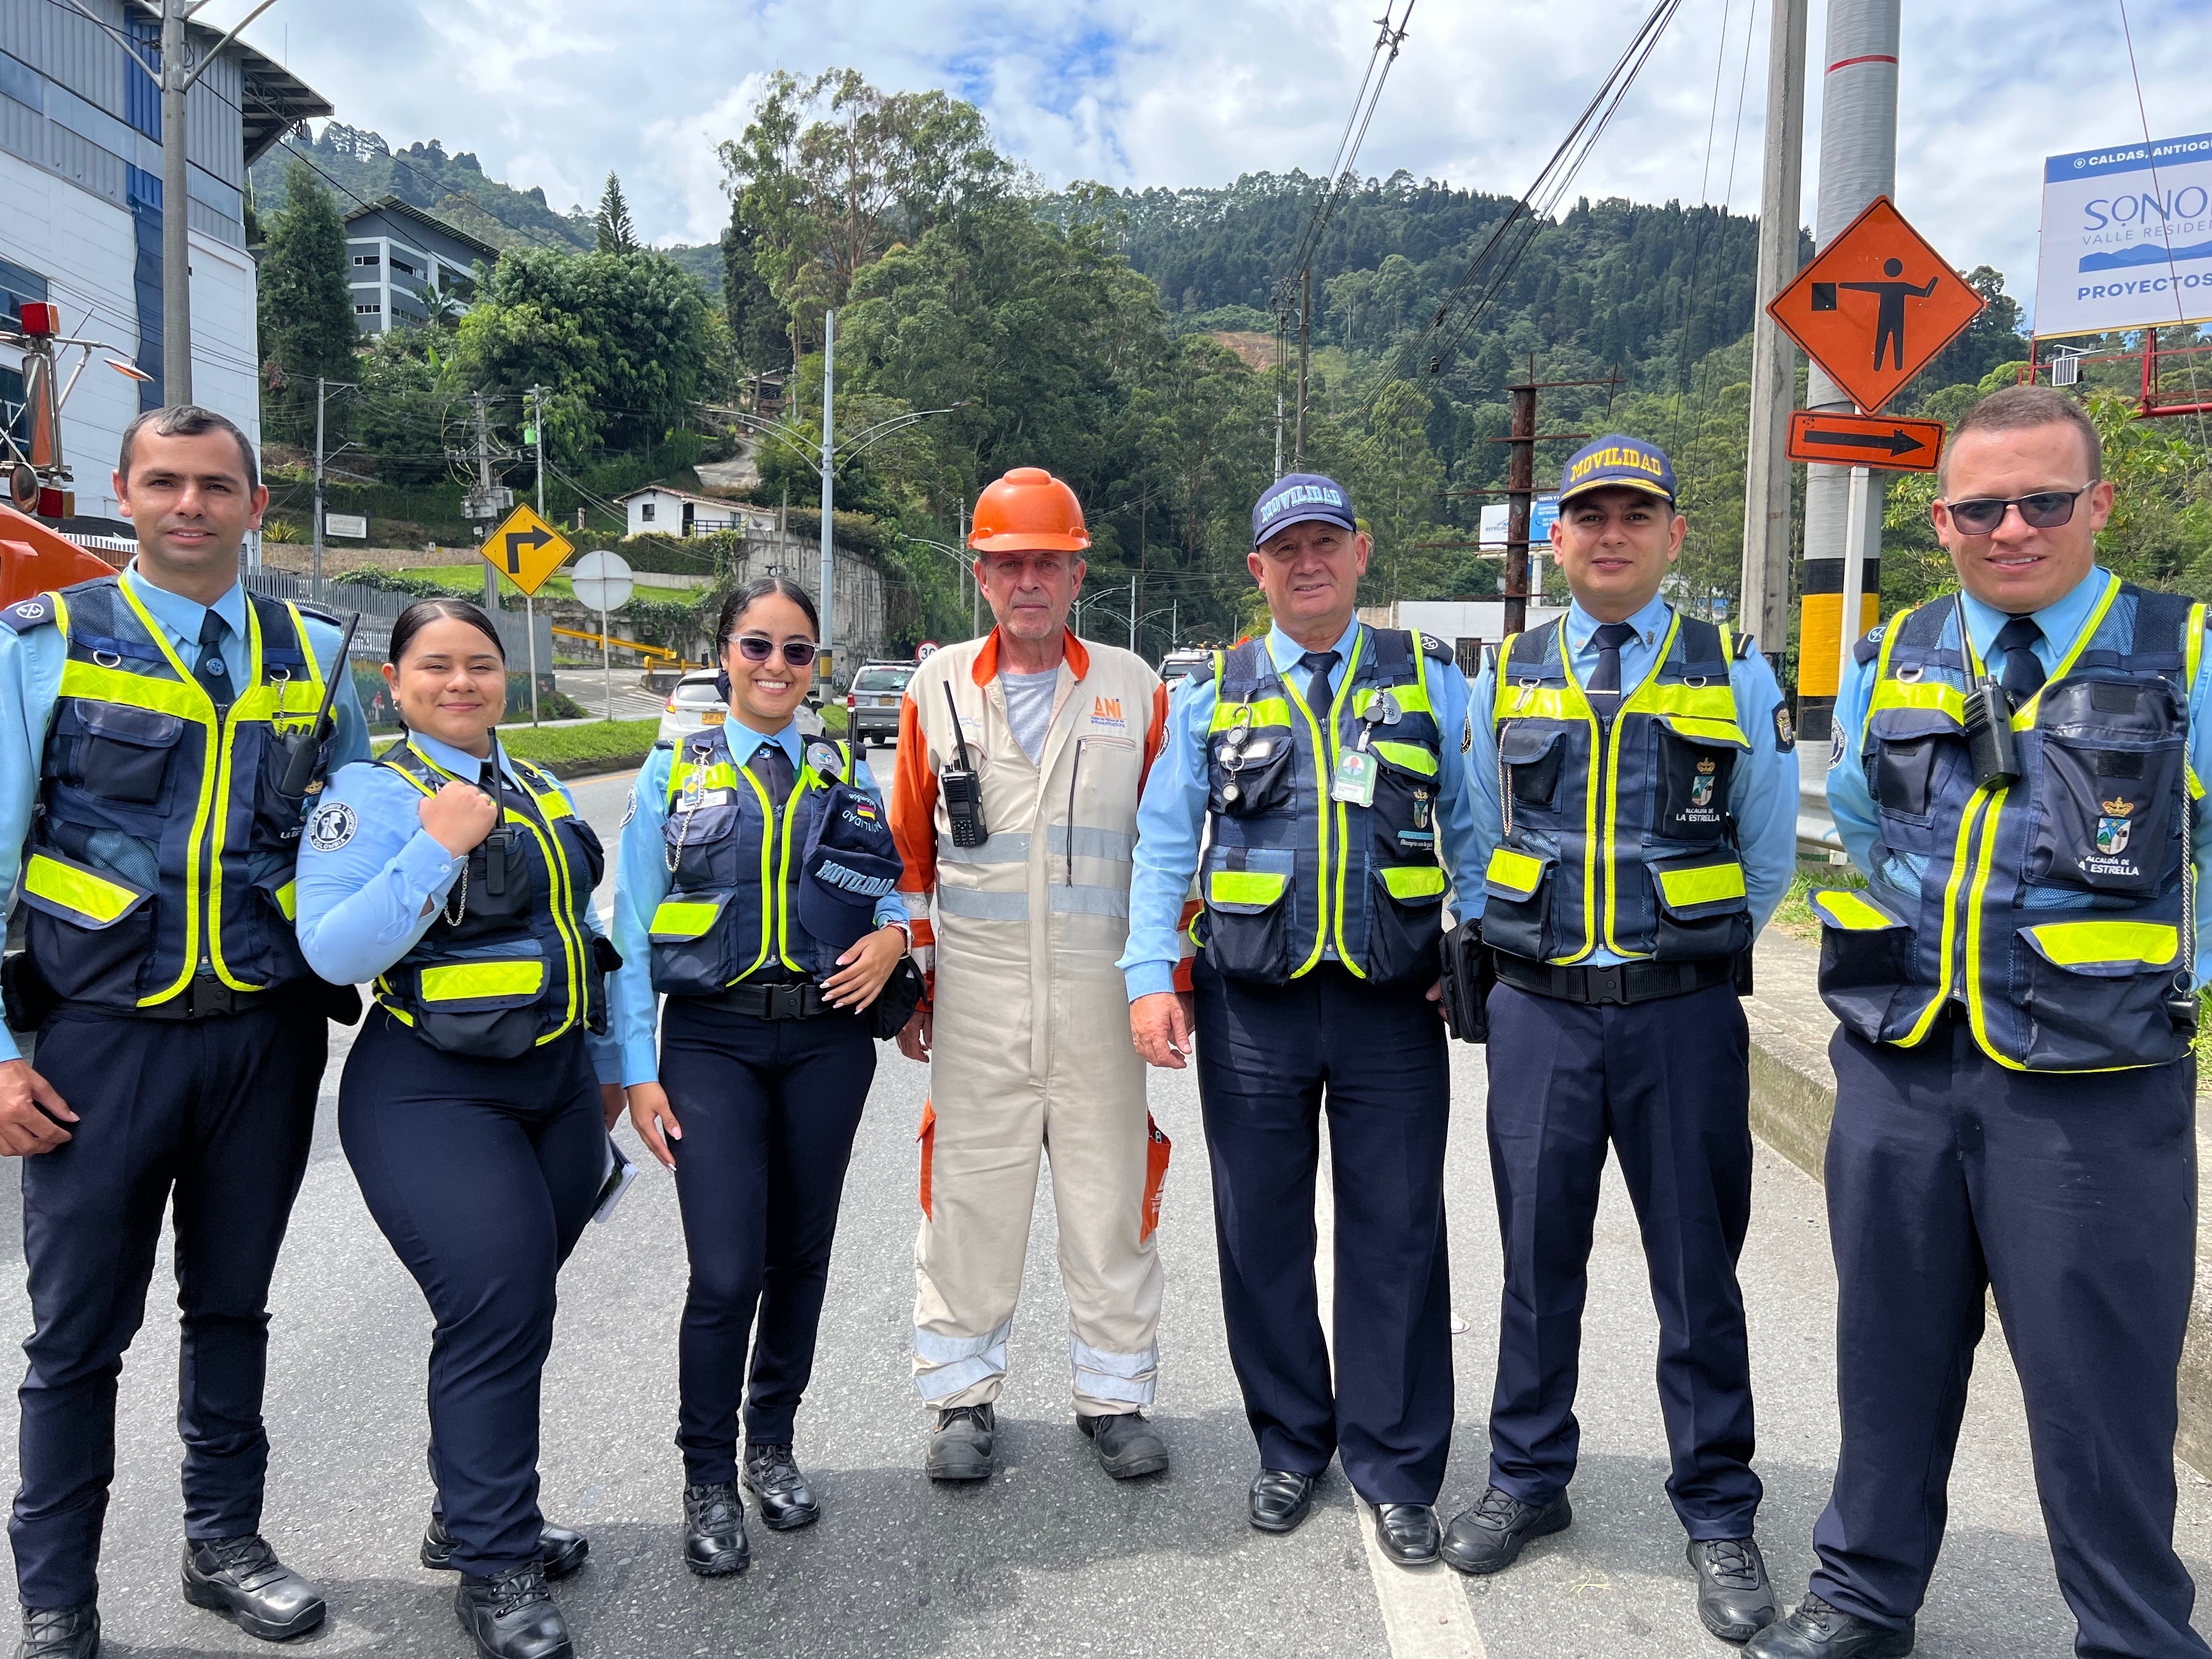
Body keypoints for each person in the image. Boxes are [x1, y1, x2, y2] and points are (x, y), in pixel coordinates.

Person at [1750, 388, 2212, 1659]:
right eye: (1982, 508)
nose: (2013, 528)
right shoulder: (1894, 651)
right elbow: (1857, 813)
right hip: (1901, 1064)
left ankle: (2133, 1635)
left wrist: (2167, 977)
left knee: (2098, 1384)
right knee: (1887, 1352)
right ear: (1941, 521)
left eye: (2045, 501)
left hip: (2094, 1084)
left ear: (2099, 505)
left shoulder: (2181, 651)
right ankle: (1863, 1598)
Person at [0, 406, 368, 1659]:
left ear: (256, 505)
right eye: (165, 483)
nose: (190, 505)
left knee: (232, 1308)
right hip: (101, 1044)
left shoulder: (315, 655)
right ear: (126, 492)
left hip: (266, 1040)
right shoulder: (45, 643)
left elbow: (352, 846)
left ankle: (225, 1543)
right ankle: (57, 1596)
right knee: (75, 1337)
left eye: (217, 486)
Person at [1444, 436, 1797, 1641]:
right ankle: (1528, 1478)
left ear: (1672, 535)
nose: (1611, 535)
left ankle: (1718, 1509)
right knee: (1536, 1260)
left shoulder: (1731, 669)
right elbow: (1476, 828)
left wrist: (1683, 952)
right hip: (1540, 1011)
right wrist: (1515, 948)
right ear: (1555, 539)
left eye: (1635, 515)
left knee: (1698, 1275)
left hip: (1680, 1017)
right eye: (1589, 516)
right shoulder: (1509, 672)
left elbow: (1767, 852)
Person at [1122, 472, 1479, 1567]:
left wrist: (1475, 949)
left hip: (1392, 1003)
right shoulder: (1213, 693)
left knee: (1399, 1235)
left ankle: (1398, 1465)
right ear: (1259, 570)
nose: (1309, 564)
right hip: (1252, 1008)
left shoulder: (1431, 681)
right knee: (1262, 1233)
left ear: (1361, 555)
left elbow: (1476, 831)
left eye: (1327, 544)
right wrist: (1149, 975)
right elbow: (1164, 844)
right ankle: (1289, 1443)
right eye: (1288, 550)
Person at [294, 599, 623, 1659]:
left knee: (512, 1310)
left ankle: (470, 1510)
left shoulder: (536, 785)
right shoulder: (371, 792)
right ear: (393, 684)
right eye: (434, 666)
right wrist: (436, 848)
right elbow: (333, 949)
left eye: (480, 664)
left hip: (556, 1088)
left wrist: (609, 1065)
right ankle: (494, 1564)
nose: (461, 683)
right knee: (497, 1304)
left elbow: (583, 934)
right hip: (432, 1090)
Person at [612, 577, 911, 1577]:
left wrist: (895, 938)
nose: (776, 666)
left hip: (828, 1044)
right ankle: (706, 1475)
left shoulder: (843, 771)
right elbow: (630, 933)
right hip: (713, 1044)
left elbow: (887, 884)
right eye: (756, 646)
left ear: (815, 665)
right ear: (724, 655)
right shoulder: (673, 772)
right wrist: (637, 1072)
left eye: (796, 651)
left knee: (799, 1259)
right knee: (726, 1271)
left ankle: (771, 1445)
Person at [889, 466, 1173, 1483]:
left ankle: (1114, 1400)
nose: (1028, 582)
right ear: (980, 575)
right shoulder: (935, 691)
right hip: (978, 1005)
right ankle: (961, 1402)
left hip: (1102, 1004)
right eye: (1008, 564)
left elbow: (1166, 853)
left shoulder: (1134, 688)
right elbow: (911, 858)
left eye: (1047, 563)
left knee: (1110, 1205)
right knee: (970, 1203)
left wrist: (1167, 983)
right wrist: (917, 985)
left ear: (1077, 573)